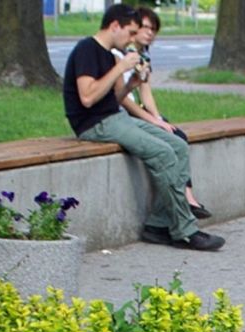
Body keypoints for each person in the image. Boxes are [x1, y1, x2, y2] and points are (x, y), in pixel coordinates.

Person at [63, 3, 224, 251]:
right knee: (163, 154)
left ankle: (157, 225)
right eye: (130, 32)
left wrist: (132, 83)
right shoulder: (87, 49)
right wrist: (120, 68)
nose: (132, 39)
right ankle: (185, 230)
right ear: (115, 26)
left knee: (178, 146)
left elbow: (113, 100)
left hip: (114, 117)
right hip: (94, 125)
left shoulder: (108, 55)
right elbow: (87, 98)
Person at [116, 7, 211, 220]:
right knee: (172, 141)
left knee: (176, 134)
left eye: (154, 29)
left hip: (135, 113)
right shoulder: (122, 54)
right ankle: (186, 200)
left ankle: (187, 198)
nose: (150, 33)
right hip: (122, 115)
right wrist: (153, 121)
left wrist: (158, 119)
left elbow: (146, 92)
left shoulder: (143, 56)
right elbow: (122, 98)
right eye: (146, 27)